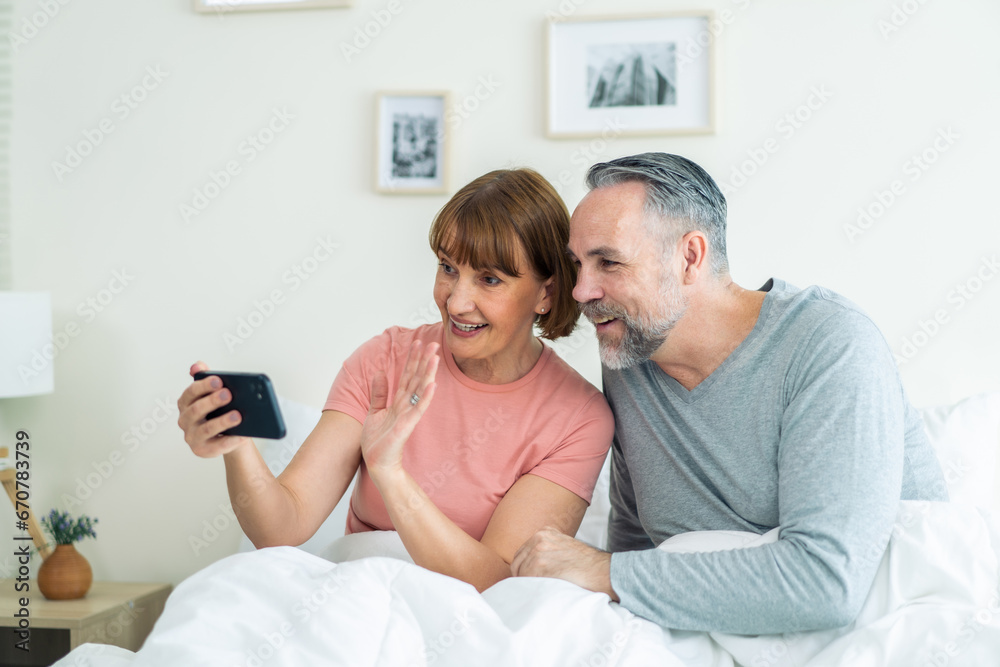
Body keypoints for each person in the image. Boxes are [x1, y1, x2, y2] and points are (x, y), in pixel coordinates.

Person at [511, 152, 947, 633]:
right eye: (578, 265)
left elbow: (825, 584)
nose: (581, 291)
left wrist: (601, 569)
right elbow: (635, 544)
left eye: (608, 262)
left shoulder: (830, 344)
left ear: (689, 257)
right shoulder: (632, 350)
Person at [177, 168, 614, 592]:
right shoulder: (384, 360)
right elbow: (281, 527)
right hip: (356, 594)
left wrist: (390, 473)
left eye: (489, 279)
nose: (456, 301)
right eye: (447, 267)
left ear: (547, 292)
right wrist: (235, 446)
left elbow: (497, 582)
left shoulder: (578, 418)